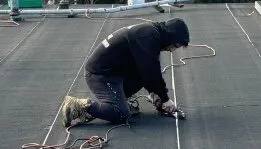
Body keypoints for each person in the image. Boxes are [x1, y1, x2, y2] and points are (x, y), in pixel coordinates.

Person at [62, 17, 190, 127]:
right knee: (121, 113)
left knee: (145, 71)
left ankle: (118, 100)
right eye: (175, 45)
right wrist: (165, 99)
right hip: (100, 75)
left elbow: (147, 71)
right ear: (171, 36)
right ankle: (77, 105)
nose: (172, 50)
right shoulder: (148, 36)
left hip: (114, 72)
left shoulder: (151, 33)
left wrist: (157, 96)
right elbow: (151, 73)